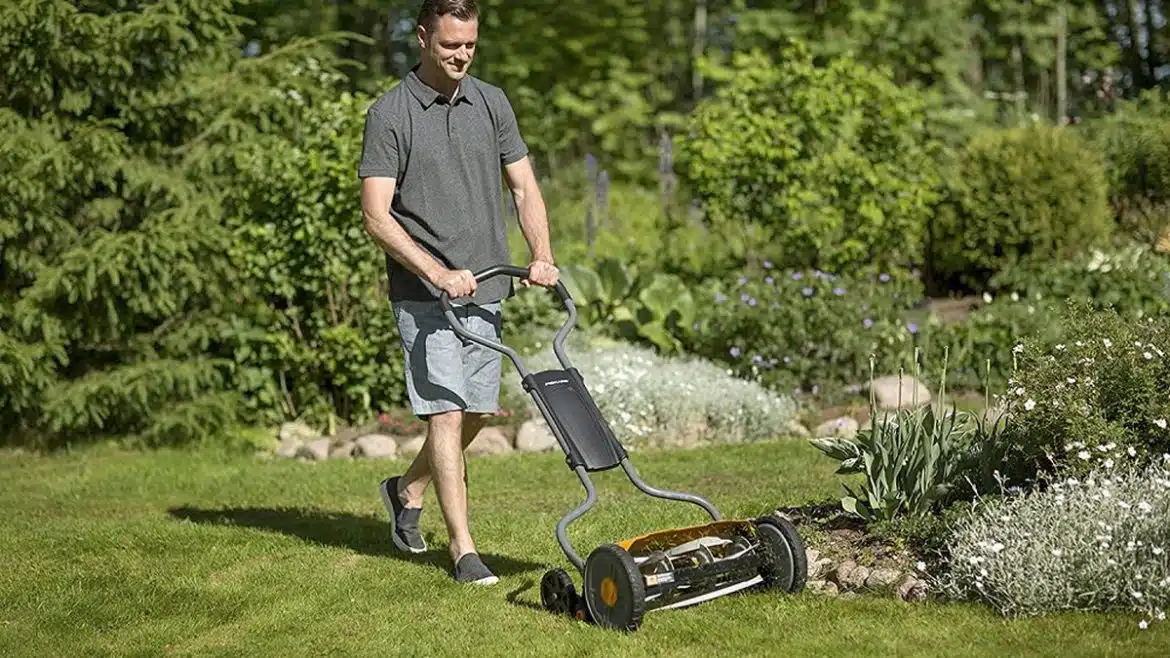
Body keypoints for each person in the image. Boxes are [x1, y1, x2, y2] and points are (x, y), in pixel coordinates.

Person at [357, 0, 558, 586]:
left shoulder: (491, 101)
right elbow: (376, 215)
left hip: (487, 286)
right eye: (450, 45)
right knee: (446, 416)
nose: (461, 55)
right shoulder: (390, 114)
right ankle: (464, 550)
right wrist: (435, 271)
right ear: (422, 38)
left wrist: (542, 255)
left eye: (469, 44)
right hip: (425, 296)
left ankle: (405, 489)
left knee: (476, 414)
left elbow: (524, 187)